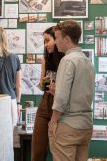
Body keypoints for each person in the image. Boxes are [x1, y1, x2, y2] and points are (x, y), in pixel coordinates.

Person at [48, 21, 95, 161]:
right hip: (85, 125)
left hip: (68, 125)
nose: (55, 42)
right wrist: (59, 91)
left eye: (57, 38)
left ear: (66, 39)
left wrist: (54, 121)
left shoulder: (67, 60)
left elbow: (62, 97)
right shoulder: (87, 61)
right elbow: (80, 92)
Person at [31, 27, 64, 161]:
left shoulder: (66, 59)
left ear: (56, 39)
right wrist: (43, 84)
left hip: (61, 105)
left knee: (59, 150)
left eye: (47, 40)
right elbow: (42, 85)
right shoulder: (46, 58)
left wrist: (57, 88)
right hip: (46, 102)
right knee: (37, 149)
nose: (45, 45)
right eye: (44, 41)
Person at [0, 26, 22, 127]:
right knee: (8, 136)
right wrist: (18, 104)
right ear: (6, 38)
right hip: (10, 100)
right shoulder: (15, 58)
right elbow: (18, 85)